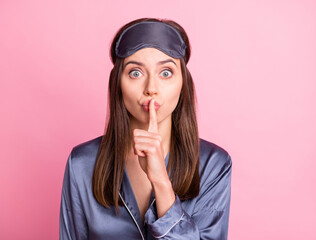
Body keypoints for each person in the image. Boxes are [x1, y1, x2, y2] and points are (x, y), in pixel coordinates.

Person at [60, 17, 232, 240]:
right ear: (118, 84)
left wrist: (161, 183)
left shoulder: (213, 164)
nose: (151, 88)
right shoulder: (82, 164)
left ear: (183, 84)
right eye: (135, 73)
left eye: (166, 73)